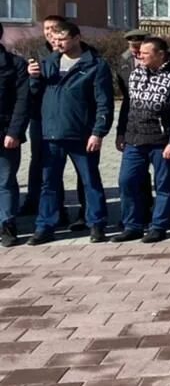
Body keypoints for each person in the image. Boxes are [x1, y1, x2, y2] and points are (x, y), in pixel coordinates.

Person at [27, 21, 113, 244]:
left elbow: (104, 102)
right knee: (49, 183)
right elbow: (34, 96)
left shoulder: (94, 65)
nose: (58, 44)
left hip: (81, 134)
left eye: (62, 39)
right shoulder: (48, 63)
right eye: (54, 40)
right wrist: (33, 78)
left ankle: (96, 224)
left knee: (90, 181)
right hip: (51, 134)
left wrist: (98, 132)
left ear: (76, 38)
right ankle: (45, 225)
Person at [113, 37, 170, 243]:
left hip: (161, 141)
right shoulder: (135, 74)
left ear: (160, 54)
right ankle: (132, 225)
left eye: (145, 53)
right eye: (139, 52)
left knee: (164, 184)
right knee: (127, 181)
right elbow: (127, 106)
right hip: (133, 139)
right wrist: (120, 132)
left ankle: (159, 226)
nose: (140, 56)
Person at [21, 14, 80, 226]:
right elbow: (32, 88)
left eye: (53, 28)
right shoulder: (38, 53)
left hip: (71, 119)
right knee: (42, 162)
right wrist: (33, 77)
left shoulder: (79, 53)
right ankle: (37, 203)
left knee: (78, 166)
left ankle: (81, 210)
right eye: (46, 28)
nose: (49, 32)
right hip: (41, 116)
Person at [0, 23, 31, 246]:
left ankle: (8, 225)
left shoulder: (14, 64)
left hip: (6, 133)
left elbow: (22, 102)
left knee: (5, 181)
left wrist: (15, 131)